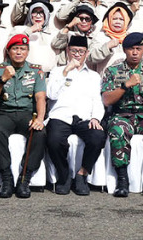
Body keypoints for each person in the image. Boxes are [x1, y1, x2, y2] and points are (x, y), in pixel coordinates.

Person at [102, 32, 143, 198]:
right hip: (122, 114)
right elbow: (106, 100)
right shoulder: (113, 71)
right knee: (118, 131)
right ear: (124, 50)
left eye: (139, 48)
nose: (135, 52)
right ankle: (122, 180)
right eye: (131, 49)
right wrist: (126, 85)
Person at [0, 33, 48, 199]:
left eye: (23, 49)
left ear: (27, 52)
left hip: (27, 113)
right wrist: (2, 80)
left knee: (39, 133)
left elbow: (40, 96)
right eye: (15, 48)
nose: (19, 52)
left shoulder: (36, 70)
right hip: (4, 112)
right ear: (8, 51)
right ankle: (6, 178)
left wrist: (40, 119)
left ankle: (24, 179)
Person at [46, 35, 106, 196]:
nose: (77, 55)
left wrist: (96, 118)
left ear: (86, 53)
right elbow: (51, 94)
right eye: (74, 51)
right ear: (67, 51)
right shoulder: (57, 71)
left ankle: (82, 174)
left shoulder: (93, 76)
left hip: (84, 118)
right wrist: (66, 72)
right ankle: (64, 175)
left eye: (81, 51)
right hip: (60, 116)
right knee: (54, 140)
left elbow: (97, 100)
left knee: (97, 137)